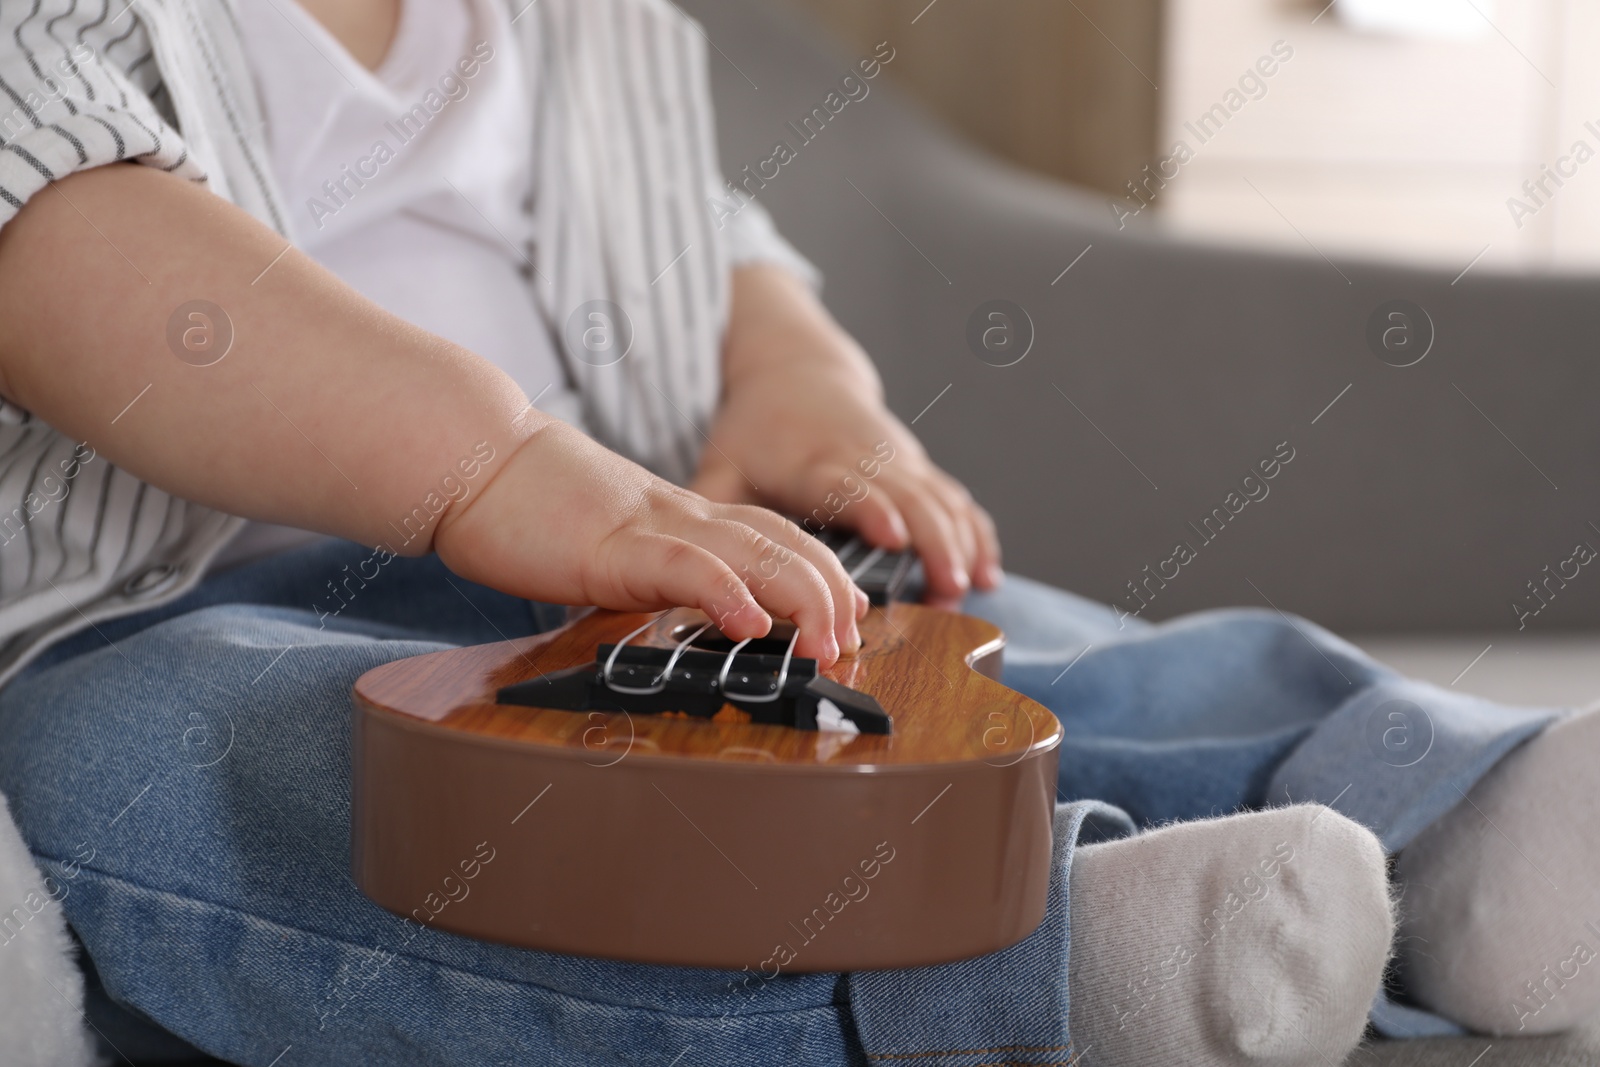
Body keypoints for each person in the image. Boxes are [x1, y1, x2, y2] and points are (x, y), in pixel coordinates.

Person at [0, 1, 1592, 1064]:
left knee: (974, 642)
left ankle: (1429, 805)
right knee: (141, 762)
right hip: (186, 607)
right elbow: (66, 236)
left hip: (637, 568)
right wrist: (494, 472)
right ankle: (1032, 959)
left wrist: (798, 390)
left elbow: (709, 230)